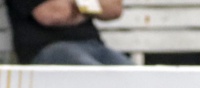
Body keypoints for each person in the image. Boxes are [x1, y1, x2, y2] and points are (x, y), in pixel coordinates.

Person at [5, 0, 133, 65]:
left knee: (136, 77)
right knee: (97, 78)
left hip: (94, 45)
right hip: (46, 48)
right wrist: (91, 7)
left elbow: (114, 8)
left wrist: (74, 6)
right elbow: (52, 13)